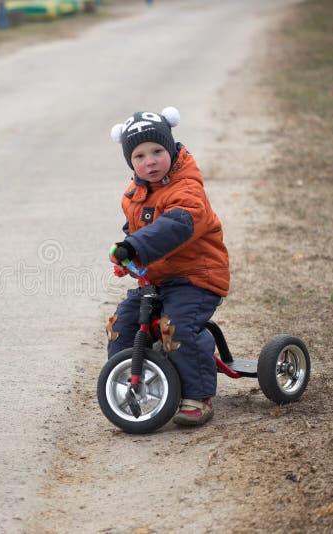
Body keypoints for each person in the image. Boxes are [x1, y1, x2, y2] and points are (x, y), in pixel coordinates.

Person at [106, 107, 230, 426]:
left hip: (196, 277)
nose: (150, 161)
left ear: (172, 149)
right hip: (156, 279)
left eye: (158, 151)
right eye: (140, 156)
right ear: (131, 162)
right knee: (121, 324)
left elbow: (175, 225)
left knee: (176, 326)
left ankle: (197, 395)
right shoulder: (134, 195)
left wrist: (136, 246)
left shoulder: (188, 189)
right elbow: (135, 229)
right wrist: (128, 253)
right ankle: (131, 385)